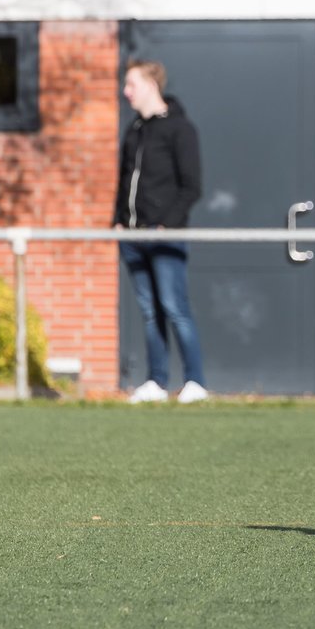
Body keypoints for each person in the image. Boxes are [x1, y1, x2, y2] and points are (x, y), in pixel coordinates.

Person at [113, 59, 208, 405]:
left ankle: (195, 381)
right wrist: (118, 222)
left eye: (131, 84)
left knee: (174, 307)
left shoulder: (180, 129)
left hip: (165, 236)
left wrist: (165, 223)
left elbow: (191, 187)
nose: (126, 92)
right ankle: (156, 380)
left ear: (151, 85)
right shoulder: (134, 130)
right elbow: (124, 181)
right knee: (149, 311)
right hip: (132, 239)